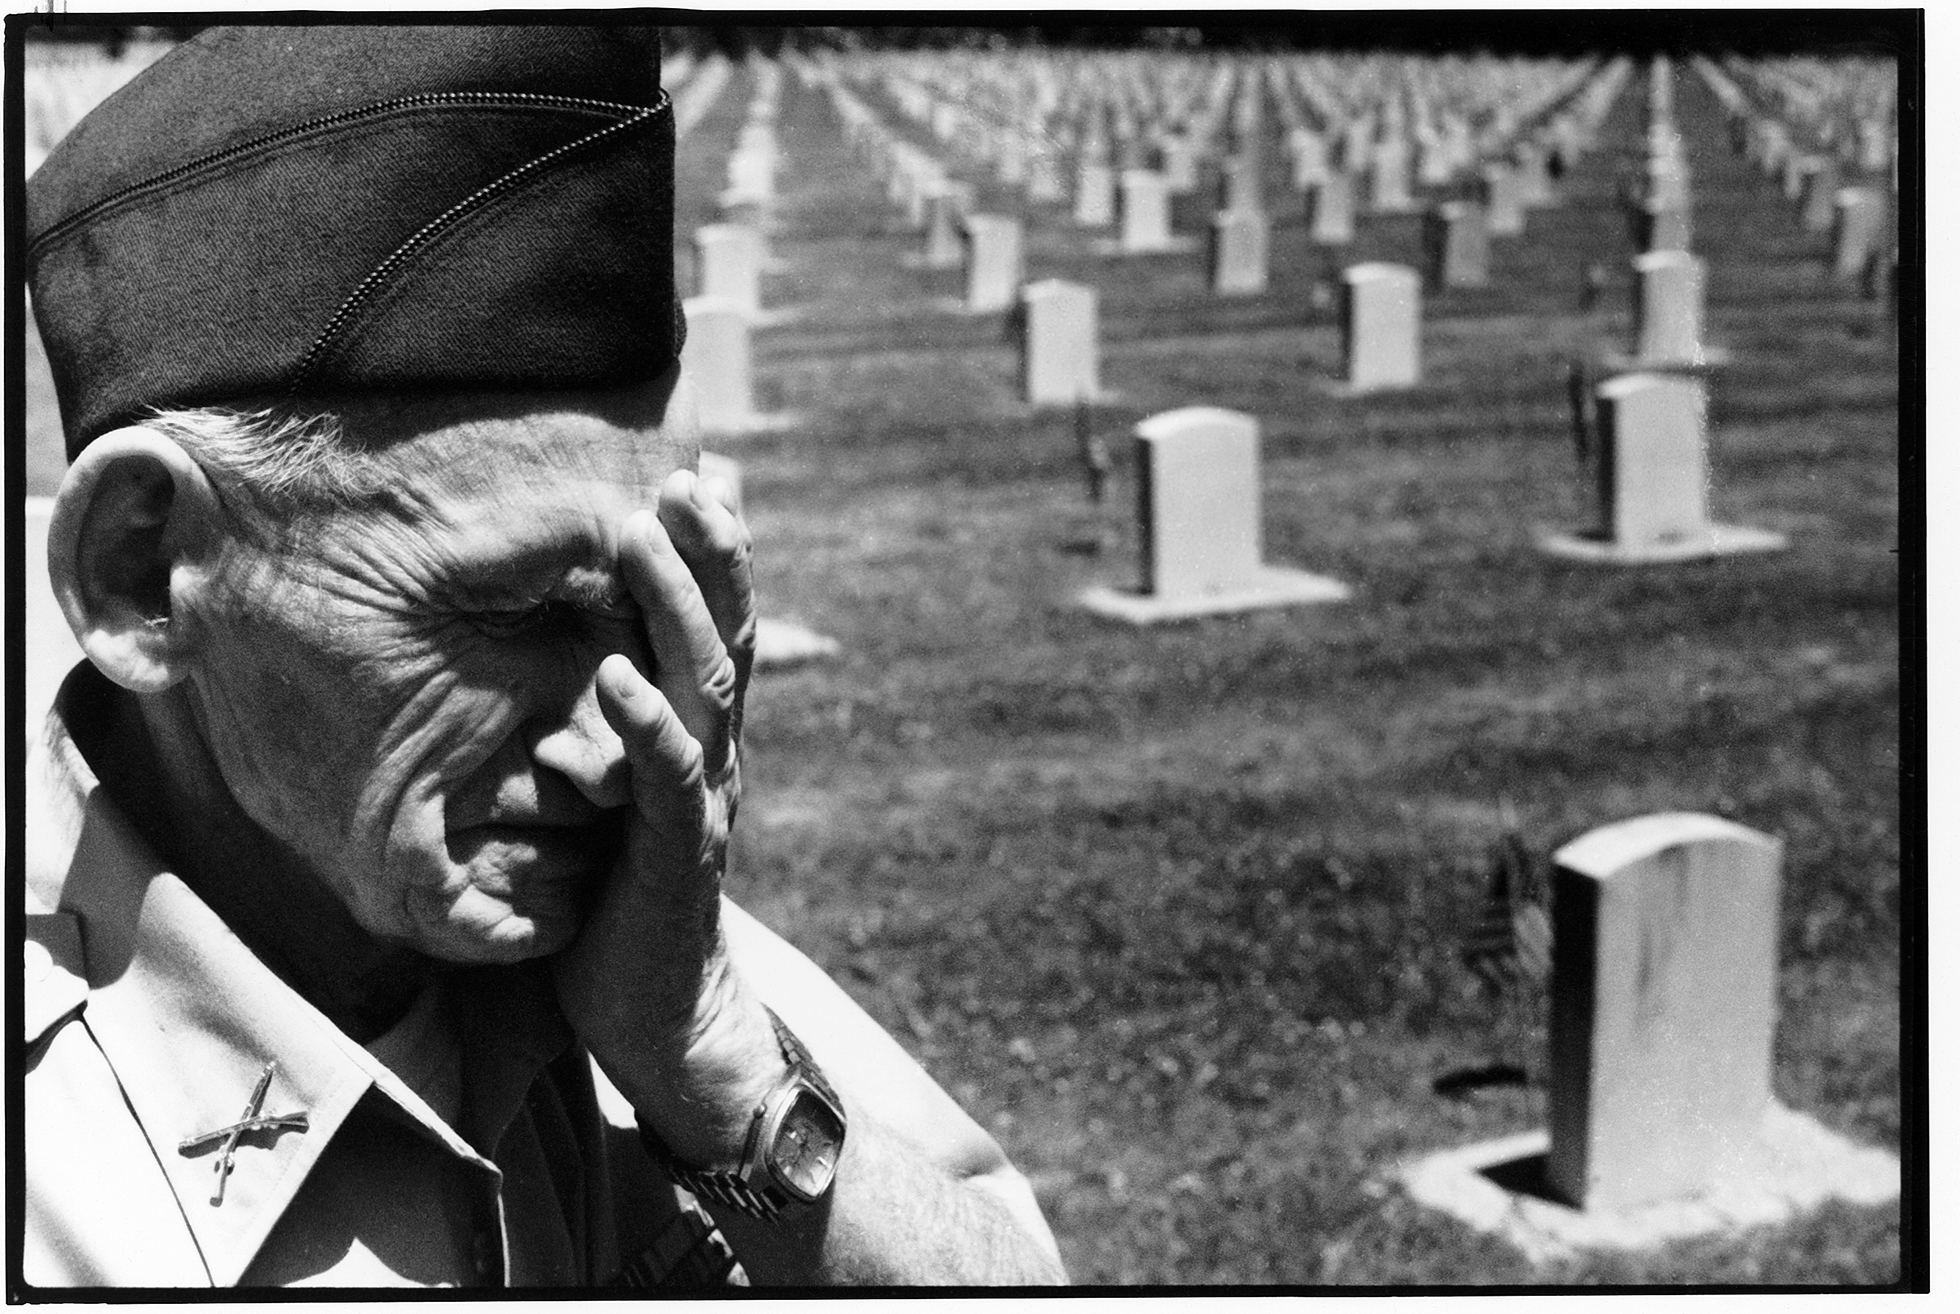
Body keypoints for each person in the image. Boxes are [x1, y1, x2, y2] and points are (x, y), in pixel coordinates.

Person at [21, 25, 1066, 1288]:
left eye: (650, 611)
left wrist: (711, 1066)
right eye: (514, 617)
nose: (610, 751)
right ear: (145, 574)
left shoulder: (633, 958)